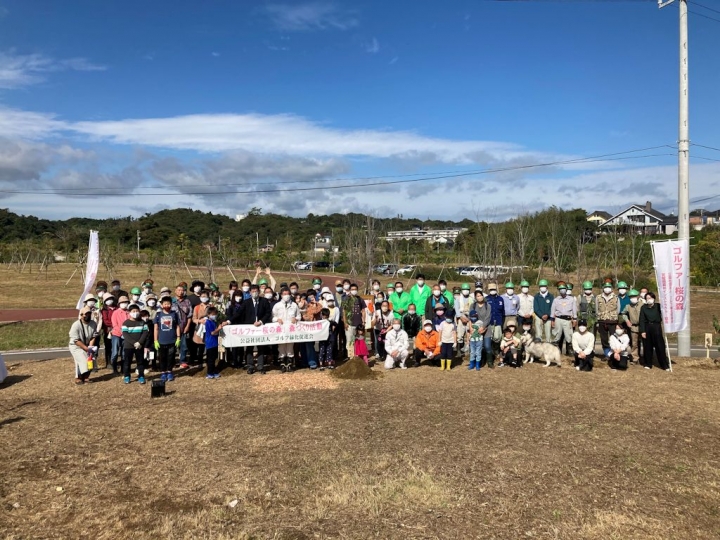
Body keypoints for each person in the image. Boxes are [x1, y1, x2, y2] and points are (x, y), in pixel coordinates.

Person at [230, 284, 273, 374]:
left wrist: (261, 321)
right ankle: (250, 366)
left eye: (256, 291)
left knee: (261, 347)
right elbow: (239, 313)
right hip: (249, 328)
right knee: (249, 348)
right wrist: (228, 321)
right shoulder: (246, 302)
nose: (254, 293)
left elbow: (268, 313)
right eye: (252, 291)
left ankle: (261, 366)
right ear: (250, 292)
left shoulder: (264, 301)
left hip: (261, 327)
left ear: (259, 291)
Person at [639, 292, 670, 371]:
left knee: (660, 346)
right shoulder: (643, 308)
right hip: (647, 327)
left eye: (650, 298)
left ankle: (664, 365)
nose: (649, 300)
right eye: (647, 298)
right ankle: (648, 364)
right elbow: (642, 320)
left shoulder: (658, 306)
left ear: (654, 298)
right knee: (647, 346)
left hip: (657, 326)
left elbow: (666, 312)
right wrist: (642, 331)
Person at [154, 296, 181, 382]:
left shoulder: (174, 314)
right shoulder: (158, 315)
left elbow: (177, 326)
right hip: (161, 341)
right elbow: (156, 328)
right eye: (165, 304)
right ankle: (163, 372)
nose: (167, 305)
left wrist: (178, 338)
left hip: (172, 340)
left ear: (171, 304)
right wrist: (155, 340)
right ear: (161, 305)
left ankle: (169, 372)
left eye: (168, 304)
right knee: (162, 357)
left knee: (171, 357)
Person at [272, 287, 300, 372]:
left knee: (290, 347)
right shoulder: (277, 305)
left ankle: (290, 364)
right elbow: (273, 317)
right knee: (281, 347)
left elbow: (299, 316)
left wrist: (296, 319)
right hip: (280, 330)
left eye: (287, 294)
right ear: (281, 295)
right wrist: (277, 319)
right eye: (284, 294)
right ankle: (283, 364)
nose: (286, 296)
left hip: (291, 330)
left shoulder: (294, 305)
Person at [69, 307, 98, 385]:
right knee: (82, 359)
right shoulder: (76, 325)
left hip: (87, 345)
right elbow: (76, 340)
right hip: (76, 346)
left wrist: (90, 349)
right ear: (81, 315)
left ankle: (86, 377)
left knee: (92, 359)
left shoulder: (93, 324)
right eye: (85, 314)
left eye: (89, 314)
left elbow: (93, 337)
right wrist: (86, 349)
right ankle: (78, 378)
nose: (87, 316)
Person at [121, 304, 149, 384]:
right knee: (127, 362)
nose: (135, 313)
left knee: (140, 362)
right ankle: (127, 376)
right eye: (133, 311)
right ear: (129, 312)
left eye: (137, 311)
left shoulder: (142, 322)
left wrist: (140, 342)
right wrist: (134, 343)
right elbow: (125, 334)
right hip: (128, 346)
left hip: (139, 346)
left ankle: (141, 376)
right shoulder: (126, 323)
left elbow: (145, 332)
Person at [341, 283, 367, 360]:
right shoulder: (346, 299)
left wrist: (363, 322)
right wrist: (345, 323)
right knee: (350, 341)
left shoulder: (360, 299)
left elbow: (363, 311)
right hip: (349, 324)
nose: (354, 291)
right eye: (352, 289)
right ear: (349, 290)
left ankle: (358, 356)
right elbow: (344, 312)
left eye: (355, 289)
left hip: (358, 324)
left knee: (359, 341)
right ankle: (351, 357)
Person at [550, 282, 577, 356]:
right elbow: (553, 310)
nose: (562, 290)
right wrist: (552, 320)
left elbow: (574, 310)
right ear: (558, 290)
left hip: (568, 320)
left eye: (563, 289)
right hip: (558, 319)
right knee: (557, 335)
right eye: (561, 289)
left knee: (569, 336)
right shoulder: (556, 300)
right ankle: (556, 351)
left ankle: (570, 351)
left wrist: (575, 319)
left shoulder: (571, 299)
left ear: (566, 289)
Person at [596, 281, 620, 358]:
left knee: (613, 338)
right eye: (605, 287)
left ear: (611, 289)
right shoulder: (598, 297)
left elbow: (618, 309)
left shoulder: (616, 297)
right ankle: (607, 354)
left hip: (612, 321)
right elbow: (596, 309)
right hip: (602, 320)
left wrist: (613, 316)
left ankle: (614, 353)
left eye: (609, 287)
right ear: (603, 289)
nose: (607, 289)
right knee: (604, 339)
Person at [470, 290, 493, 368]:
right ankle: (480, 361)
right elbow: (471, 317)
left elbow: (488, 317)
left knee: (487, 346)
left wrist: (483, 327)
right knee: (478, 346)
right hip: (476, 329)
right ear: (475, 298)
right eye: (477, 296)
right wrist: (472, 328)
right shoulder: (473, 306)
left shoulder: (488, 306)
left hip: (486, 328)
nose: (479, 297)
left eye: (480, 295)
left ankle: (490, 362)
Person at [172, 285, 193, 368]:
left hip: (183, 327)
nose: (181, 291)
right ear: (175, 291)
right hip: (173, 328)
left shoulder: (187, 302)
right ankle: (172, 361)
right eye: (179, 290)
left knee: (183, 345)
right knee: (172, 346)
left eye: (182, 290)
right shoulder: (171, 301)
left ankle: (182, 361)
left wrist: (187, 326)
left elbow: (190, 315)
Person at [110, 295, 130, 373]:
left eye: (126, 302)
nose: (124, 304)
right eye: (122, 302)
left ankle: (123, 368)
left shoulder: (129, 312)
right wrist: (121, 331)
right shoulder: (115, 313)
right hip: (116, 334)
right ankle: (114, 368)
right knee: (115, 352)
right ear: (119, 304)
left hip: (126, 335)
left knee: (124, 353)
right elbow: (114, 324)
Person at [191, 289, 211, 367]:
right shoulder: (197, 307)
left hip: (209, 328)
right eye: (202, 296)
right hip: (200, 328)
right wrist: (199, 321)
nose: (204, 298)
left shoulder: (211, 306)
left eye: (205, 296)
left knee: (209, 345)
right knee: (200, 345)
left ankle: (209, 360)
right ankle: (200, 361)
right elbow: (194, 318)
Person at [485, 283, 505, 363]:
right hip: (489, 322)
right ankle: (491, 353)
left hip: (498, 321)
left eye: (494, 289)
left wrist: (501, 321)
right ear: (489, 290)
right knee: (489, 338)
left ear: (496, 289)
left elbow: (502, 311)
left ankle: (497, 351)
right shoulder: (486, 299)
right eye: (491, 289)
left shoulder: (500, 299)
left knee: (497, 338)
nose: (492, 291)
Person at [622, 289, 643, 361]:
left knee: (646, 343)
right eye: (631, 297)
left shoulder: (643, 304)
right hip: (633, 327)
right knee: (634, 344)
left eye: (634, 296)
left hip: (643, 327)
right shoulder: (628, 306)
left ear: (638, 296)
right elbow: (623, 313)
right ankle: (635, 358)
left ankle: (646, 358)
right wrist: (627, 320)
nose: (632, 298)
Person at [204, 306, 222, 379]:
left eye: (215, 314)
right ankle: (209, 373)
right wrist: (218, 329)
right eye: (212, 314)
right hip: (210, 344)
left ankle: (213, 371)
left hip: (214, 343)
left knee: (214, 359)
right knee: (210, 360)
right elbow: (212, 333)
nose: (214, 315)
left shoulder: (213, 322)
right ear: (208, 315)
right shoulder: (208, 322)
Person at [454, 283, 473, 355]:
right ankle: (459, 350)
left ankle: (469, 349)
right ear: (461, 290)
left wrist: (469, 318)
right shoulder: (458, 299)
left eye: (467, 290)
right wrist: (461, 317)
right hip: (460, 318)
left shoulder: (471, 299)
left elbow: (473, 309)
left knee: (469, 333)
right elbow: (456, 309)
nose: (465, 291)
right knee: (460, 334)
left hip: (469, 318)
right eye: (464, 289)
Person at [100, 292, 116, 368]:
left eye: (110, 299)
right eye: (107, 299)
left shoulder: (116, 308)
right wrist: (113, 325)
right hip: (108, 331)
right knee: (108, 346)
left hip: (116, 330)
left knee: (115, 347)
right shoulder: (104, 310)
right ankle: (108, 362)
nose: (109, 300)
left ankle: (114, 361)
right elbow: (105, 320)